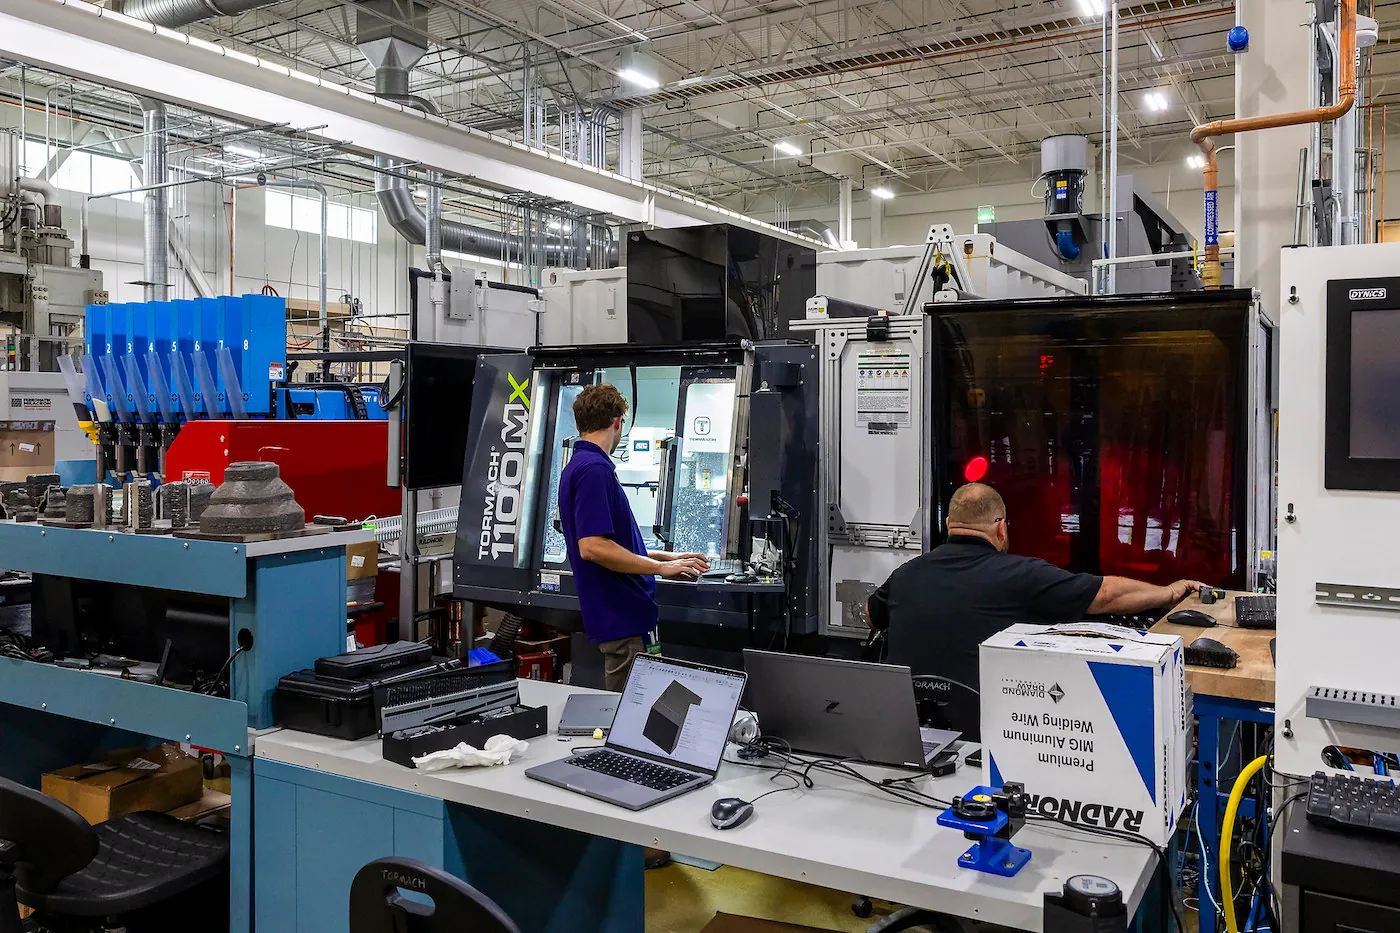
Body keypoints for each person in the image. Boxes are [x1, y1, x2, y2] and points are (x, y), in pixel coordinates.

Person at [866, 482, 1207, 739]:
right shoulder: (1021, 575)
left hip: (906, 734)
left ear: (948, 523)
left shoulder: (907, 573)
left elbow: (871, 614)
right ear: (1001, 527)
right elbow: (1103, 595)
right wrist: (1167, 593)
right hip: (990, 738)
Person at [559, 383, 710, 692]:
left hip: (628, 617)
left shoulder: (582, 466)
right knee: (628, 716)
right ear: (618, 422)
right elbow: (593, 547)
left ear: (578, 424)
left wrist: (669, 557)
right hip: (621, 617)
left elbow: (618, 545)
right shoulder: (593, 470)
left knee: (639, 712)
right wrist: (661, 569)